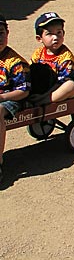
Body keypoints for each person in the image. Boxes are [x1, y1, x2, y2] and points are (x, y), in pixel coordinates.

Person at [0, 14, 31, 181]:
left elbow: (24, 91)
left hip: (11, 99)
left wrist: (3, 97)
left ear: (7, 32)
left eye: (0, 33)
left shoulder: (16, 62)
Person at [31, 12, 74, 102]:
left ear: (63, 33)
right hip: (44, 88)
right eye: (49, 34)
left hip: (60, 89)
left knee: (70, 86)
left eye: (59, 32)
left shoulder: (66, 58)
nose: (55, 37)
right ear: (39, 38)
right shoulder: (38, 54)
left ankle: (43, 101)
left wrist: (45, 95)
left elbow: (63, 81)